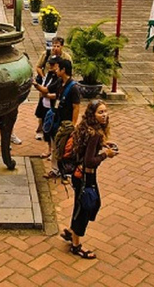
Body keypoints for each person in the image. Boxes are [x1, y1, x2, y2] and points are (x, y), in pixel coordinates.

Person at [59, 100, 117, 259]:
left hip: (79, 175)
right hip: (86, 175)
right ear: (92, 114)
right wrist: (106, 154)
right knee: (85, 207)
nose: (104, 115)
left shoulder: (86, 128)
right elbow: (89, 161)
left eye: (105, 111)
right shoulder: (95, 134)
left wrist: (103, 144)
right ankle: (76, 245)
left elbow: (85, 148)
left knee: (86, 204)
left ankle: (72, 232)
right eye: (100, 112)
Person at [44, 58, 81, 179]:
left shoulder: (74, 88)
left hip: (66, 123)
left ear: (63, 70)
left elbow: (76, 107)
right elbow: (49, 92)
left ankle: (65, 171)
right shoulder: (60, 82)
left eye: (57, 68)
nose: (55, 69)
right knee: (55, 146)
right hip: (57, 120)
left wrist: (73, 124)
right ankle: (55, 170)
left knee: (65, 147)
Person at [33, 37, 72, 140]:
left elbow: (69, 72)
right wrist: (43, 78)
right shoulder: (46, 54)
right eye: (54, 45)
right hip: (46, 83)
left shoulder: (66, 57)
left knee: (53, 109)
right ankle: (40, 129)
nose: (55, 48)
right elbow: (38, 67)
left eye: (58, 46)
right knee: (42, 108)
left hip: (56, 86)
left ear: (62, 46)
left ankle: (52, 130)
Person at [32, 56, 62, 159]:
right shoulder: (49, 74)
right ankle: (49, 149)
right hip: (44, 104)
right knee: (46, 128)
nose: (50, 66)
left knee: (53, 130)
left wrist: (36, 86)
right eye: (50, 64)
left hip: (53, 107)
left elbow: (47, 91)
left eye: (53, 64)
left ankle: (54, 151)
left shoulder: (59, 79)